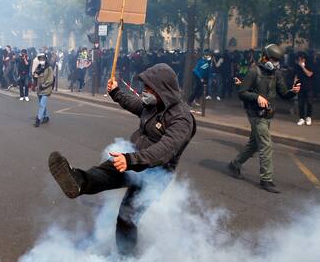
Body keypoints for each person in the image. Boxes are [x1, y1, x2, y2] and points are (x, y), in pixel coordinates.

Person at [48, 63, 196, 255]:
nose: (145, 91)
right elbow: (134, 103)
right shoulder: (152, 105)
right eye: (145, 87)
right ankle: (77, 181)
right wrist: (115, 92)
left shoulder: (182, 118)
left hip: (155, 174)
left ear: (163, 90)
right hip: (133, 158)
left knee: (126, 218)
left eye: (150, 88)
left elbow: (166, 149)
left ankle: (126, 257)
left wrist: (132, 160)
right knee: (104, 171)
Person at [228, 44, 300, 193]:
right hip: (255, 114)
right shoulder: (253, 72)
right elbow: (242, 92)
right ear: (265, 57)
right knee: (266, 144)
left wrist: (293, 92)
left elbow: (284, 94)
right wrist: (257, 97)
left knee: (254, 144)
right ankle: (266, 180)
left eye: (277, 60)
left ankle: (235, 164)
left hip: (268, 114)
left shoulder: (276, 74)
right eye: (273, 59)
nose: (275, 62)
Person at [294, 52, 315, 126]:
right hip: (300, 87)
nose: (299, 60)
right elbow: (296, 76)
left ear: (304, 59)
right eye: (299, 59)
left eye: (301, 59)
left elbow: (309, 74)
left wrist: (303, 67)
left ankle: (308, 117)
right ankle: (301, 118)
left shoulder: (310, 65)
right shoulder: (297, 66)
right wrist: (295, 85)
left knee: (309, 102)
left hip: (309, 87)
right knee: (301, 103)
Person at [33, 53, 54, 127]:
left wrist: (43, 85)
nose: (41, 60)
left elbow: (50, 79)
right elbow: (36, 76)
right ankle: (46, 117)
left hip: (46, 89)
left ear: (45, 59)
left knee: (42, 104)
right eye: (40, 59)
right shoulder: (39, 67)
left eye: (42, 59)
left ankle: (38, 120)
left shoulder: (49, 68)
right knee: (42, 104)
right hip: (39, 89)